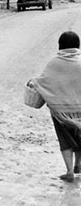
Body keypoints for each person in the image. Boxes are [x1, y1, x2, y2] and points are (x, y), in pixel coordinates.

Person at [31, 31, 81, 182]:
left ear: (60, 46)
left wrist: (33, 82)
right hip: (80, 111)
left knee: (65, 140)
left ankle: (69, 171)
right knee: (80, 137)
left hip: (60, 113)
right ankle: (79, 164)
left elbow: (44, 81)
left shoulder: (54, 63)